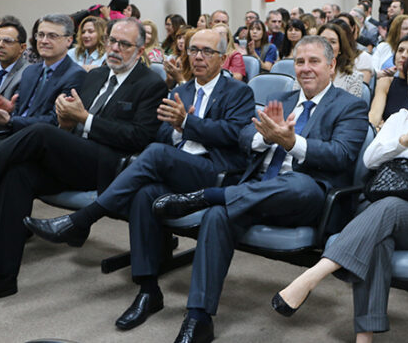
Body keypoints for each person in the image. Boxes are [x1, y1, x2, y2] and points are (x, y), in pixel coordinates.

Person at [24, 29, 255, 331]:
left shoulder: (239, 92)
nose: (198, 56)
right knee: (144, 193)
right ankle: (148, 290)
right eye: (194, 50)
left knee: (157, 154)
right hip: (176, 168)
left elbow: (235, 136)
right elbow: (157, 132)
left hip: (214, 172)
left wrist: (187, 123)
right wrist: (175, 129)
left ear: (223, 58)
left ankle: (84, 218)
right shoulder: (181, 91)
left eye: (207, 52)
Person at [150, 35, 368, 343]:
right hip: (256, 189)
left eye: (314, 62)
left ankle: (207, 195)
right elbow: (243, 136)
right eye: (300, 62)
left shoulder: (350, 106)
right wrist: (266, 138)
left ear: (331, 66)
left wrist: (291, 142)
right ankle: (198, 317)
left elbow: (341, 154)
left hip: (306, 198)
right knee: (216, 216)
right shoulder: (284, 97)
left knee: (299, 183)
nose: (305, 69)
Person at [272, 48, 408, 342]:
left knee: (388, 208)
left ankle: (310, 277)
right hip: (385, 212)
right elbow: (370, 160)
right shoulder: (398, 118)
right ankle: (364, 339)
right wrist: (405, 139)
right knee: (380, 238)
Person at [0, 18, 167, 306]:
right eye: (112, 41)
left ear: (140, 50)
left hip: (110, 165)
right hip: (76, 156)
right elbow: (70, 127)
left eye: (124, 44)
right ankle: (1, 277)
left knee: (40, 133)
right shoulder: (94, 76)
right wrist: (67, 122)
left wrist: (86, 119)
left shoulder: (151, 84)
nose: (114, 48)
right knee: (17, 173)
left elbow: (140, 137)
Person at [0, 14, 87, 137]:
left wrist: (11, 120)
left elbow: (54, 121)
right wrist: (9, 110)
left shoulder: (75, 74)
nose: (44, 41)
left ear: (69, 40)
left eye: (52, 36)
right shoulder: (31, 71)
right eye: (41, 35)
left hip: (39, 142)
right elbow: (20, 112)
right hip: (11, 136)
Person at [0, 18, 30, 144]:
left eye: (7, 41)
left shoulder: (28, 73)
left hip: (0, 135)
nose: (0, 45)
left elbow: (18, 116)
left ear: (22, 47)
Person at [369, 34, 408, 129]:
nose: (403, 55)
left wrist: (387, 128)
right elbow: (374, 117)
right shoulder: (385, 82)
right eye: (400, 50)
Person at [319, 23, 365, 98]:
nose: (327, 45)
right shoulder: (305, 71)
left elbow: (351, 108)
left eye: (333, 42)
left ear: (340, 48)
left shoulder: (354, 78)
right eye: (323, 41)